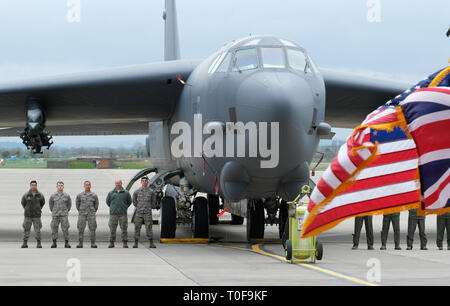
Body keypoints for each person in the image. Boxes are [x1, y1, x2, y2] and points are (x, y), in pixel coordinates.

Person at [106, 179, 132, 248]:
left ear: (121, 183)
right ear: (115, 184)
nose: (118, 184)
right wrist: (113, 208)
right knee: (112, 229)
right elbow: (108, 202)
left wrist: (124, 207)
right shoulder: (111, 193)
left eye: (119, 183)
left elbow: (129, 202)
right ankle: (111, 243)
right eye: (117, 183)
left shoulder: (126, 193)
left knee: (124, 229)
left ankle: (125, 242)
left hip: (123, 214)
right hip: (113, 214)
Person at [132, 176, 157, 248]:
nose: (144, 182)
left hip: (147, 213)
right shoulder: (137, 191)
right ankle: (136, 242)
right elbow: (134, 201)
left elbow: (153, 202)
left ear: (147, 182)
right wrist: (139, 207)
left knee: (149, 227)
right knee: (137, 227)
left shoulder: (151, 192)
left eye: (146, 181)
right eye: (143, 181)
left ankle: (151, 242)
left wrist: (148, 207)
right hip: (139, 212)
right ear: (141, 182)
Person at [21, 180, 45, 248]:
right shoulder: (26, 195)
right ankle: (25, 243)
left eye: (35, 185)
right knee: (26, 229)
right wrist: (27, 209)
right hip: (28, 215)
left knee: (37, 230)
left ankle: (39, 243)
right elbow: (23, 203)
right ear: (30, 185)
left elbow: (42, 203)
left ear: (36, 186)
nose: (33, 186)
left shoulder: (40, 195)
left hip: (36, 215)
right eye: (32, 185)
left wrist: (38, 209)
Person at [75, 181, 99, 248]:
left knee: (92, 229)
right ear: (84, 186)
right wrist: (81, 211)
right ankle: (80, 244)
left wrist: (93, 211)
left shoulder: (94, 195)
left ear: (90, 186)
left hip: (91, 214)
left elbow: (96, 205)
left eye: (88, 185)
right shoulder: (80, 195)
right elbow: (77, 205)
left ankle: (93, 243)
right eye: (86, 185)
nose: (87, 186)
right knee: (80, 229)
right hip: (82, 214)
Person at [49, 181, 72, 248]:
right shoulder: (53, 195)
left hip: (64, 215)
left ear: (63, 186)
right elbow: (51, 204)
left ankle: (66, 243)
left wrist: (66, 211)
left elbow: (69, 205)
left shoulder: (67, 195)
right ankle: (54, 243)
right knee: (54, 229)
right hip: (55, 215)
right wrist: (53, 211)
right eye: (59, 185)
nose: (60, 186)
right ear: (56, 186)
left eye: (61, 185)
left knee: (65, 229)